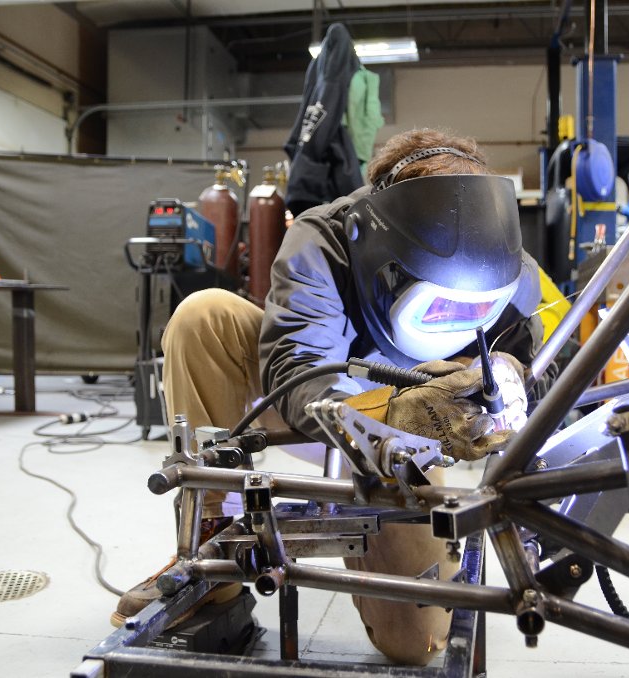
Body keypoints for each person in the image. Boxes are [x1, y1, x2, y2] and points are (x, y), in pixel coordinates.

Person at [114, 128, 550, 665]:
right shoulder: (327, 236)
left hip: (403, 454)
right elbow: (299, 370)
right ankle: (214, 549)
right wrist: (390, 412)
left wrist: (512, 373)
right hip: (310, 407)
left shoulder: (508, 262)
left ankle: (380, 546)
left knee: (415, 643)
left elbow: (548, 370)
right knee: (205, 316)